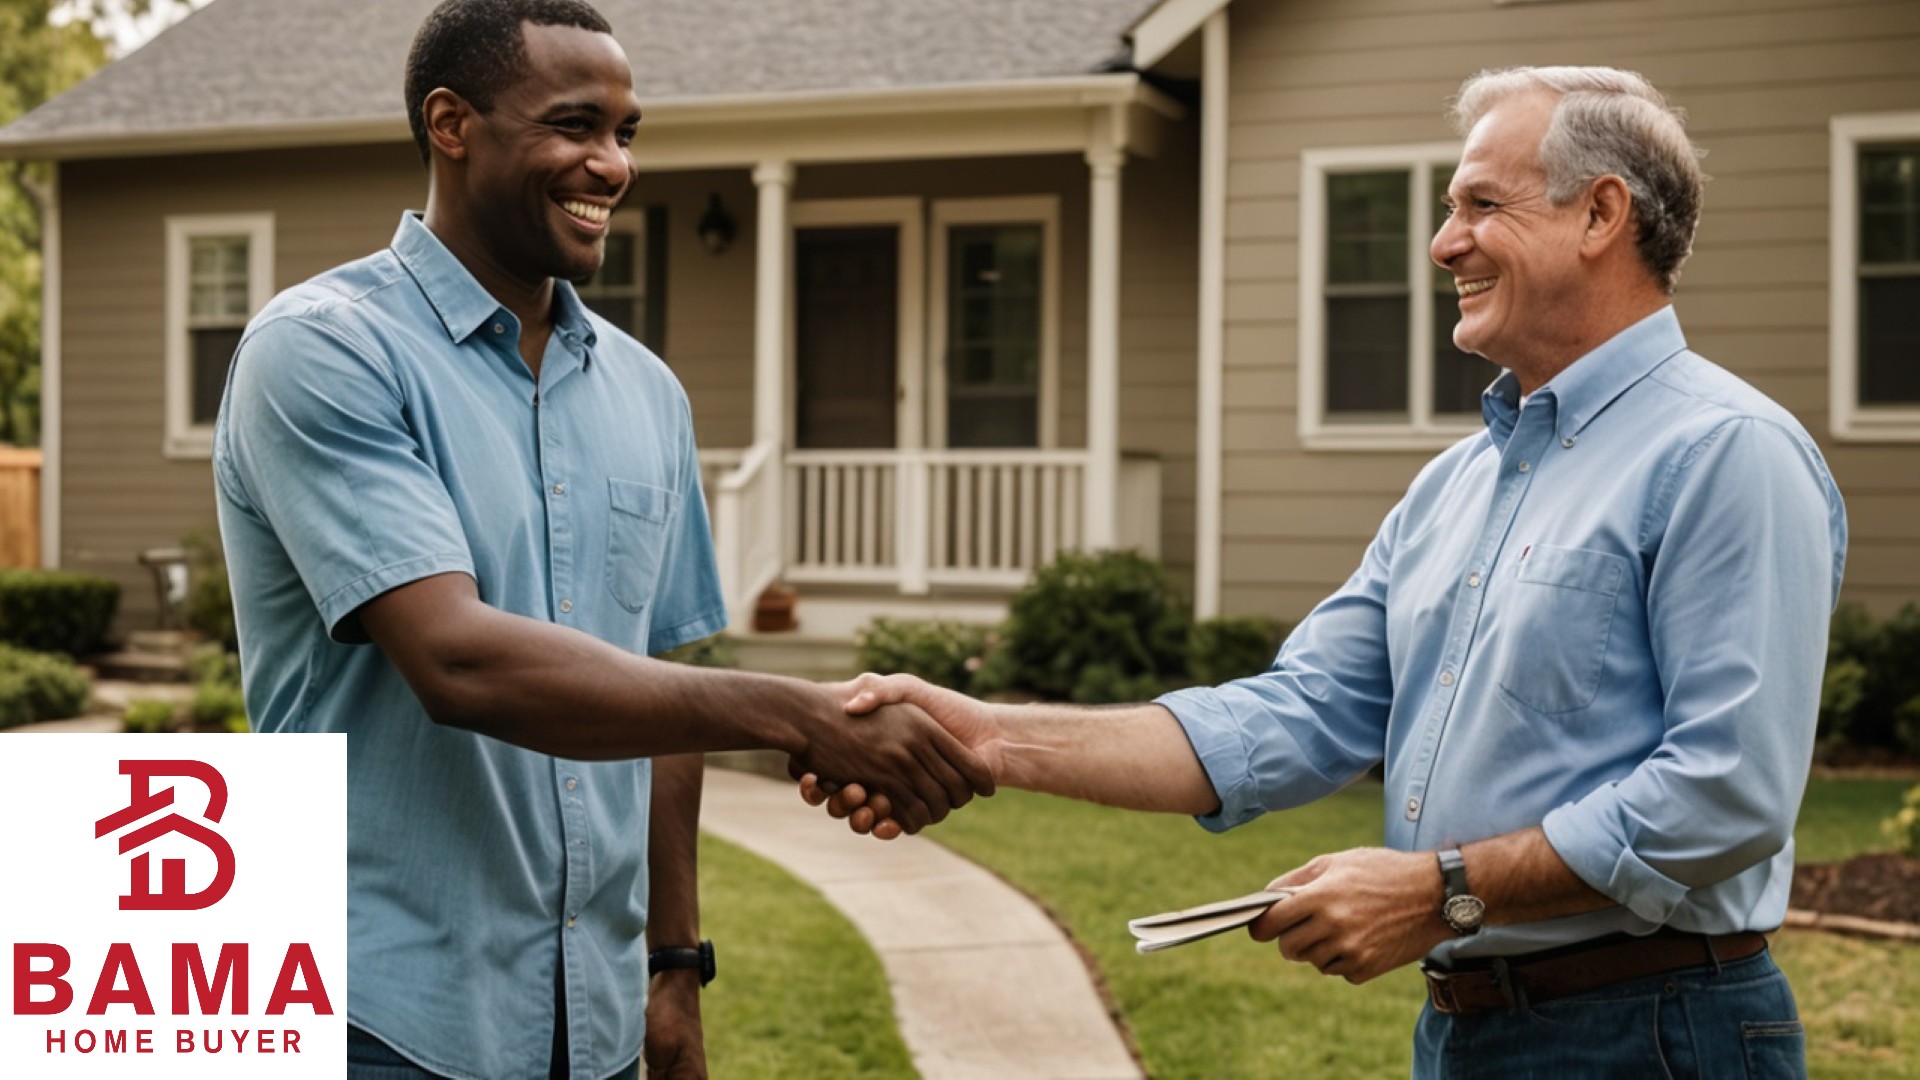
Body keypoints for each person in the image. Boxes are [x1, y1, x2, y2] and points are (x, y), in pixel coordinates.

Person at [813, 66, 1847, 1077]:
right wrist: (987, 739)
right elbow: (1296, 716)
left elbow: (1725, 792)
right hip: (1467, 1030)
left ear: (1601, 213)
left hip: (1656, 1032)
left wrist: (1439, 892)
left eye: (1481, 204)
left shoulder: (1727, 455)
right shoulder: (1456, 485)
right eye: (1450, 210)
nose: (1445, 243)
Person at [212, 2, 990, 1078]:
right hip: (373, 1013)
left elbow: (661, 691)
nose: (612, 165)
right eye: (576, 125)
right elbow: (457, 659)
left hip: (595, 1026)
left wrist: (673, 969)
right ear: (452, 123)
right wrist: (802, 717)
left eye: (627, 132)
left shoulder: (647, 394)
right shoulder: (327, 353)